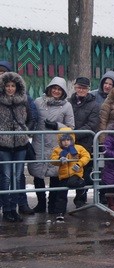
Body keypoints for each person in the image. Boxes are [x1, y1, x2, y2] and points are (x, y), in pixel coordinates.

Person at [31, 76, 75, 214]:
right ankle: (41, 203)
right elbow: (31, 118)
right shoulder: (38, 102)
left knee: (55, 174)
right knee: (38, 174)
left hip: (57, 144)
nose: (56, 91)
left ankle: (52, 204)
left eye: (59, 89)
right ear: (49, 88)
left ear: (63, 92)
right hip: (39, 143)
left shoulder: (67, 106)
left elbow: (71, 126)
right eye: (54, 88)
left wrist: (57, 125)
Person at [0, 69, 34, 222]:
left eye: (13, 86)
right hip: (4, 144)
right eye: (7, 86)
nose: (10, 89)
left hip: (20, 143)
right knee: (6, 177)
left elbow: (31, 118)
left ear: (17, 87)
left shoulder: (24, 100)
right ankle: (6, 209)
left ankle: (14, 209)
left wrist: (25, 133)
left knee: (17, 177)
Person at [68, 76, 101, 208]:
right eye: (79, 87)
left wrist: (73, 135)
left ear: (88, 89)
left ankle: (80, 198)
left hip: (85, 143)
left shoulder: (94, 105)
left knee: (84, 170)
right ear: (75, 87)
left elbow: (92, 124)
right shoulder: (68, 102)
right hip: (68, 142)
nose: (81, 90)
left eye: (84, 88)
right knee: (67, 168)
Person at [48, 128, 90, 222]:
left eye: (68, 140)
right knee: (61, 194)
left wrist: (79, 164)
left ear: (72, 139)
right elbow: (52, 160)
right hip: (63, 176)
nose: (66, 142)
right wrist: (59, 159)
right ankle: (60, 212)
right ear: (60, 141)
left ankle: (82, 187)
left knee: (72, 183)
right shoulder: (58, 150)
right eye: (63, 140)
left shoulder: (78, 148)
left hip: (76, 173)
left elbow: (86, 156)